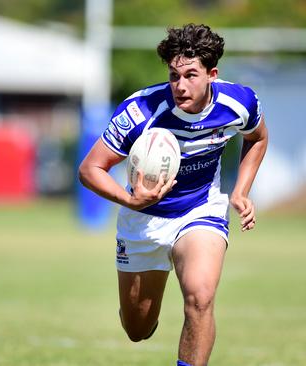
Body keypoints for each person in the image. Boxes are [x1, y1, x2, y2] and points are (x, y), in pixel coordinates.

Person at [78, 23, 268, 366]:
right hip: (144, 220)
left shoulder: (239, 102)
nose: (180, 85)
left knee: (200, 297)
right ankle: (139, 306)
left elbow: (257, 137)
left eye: (191, 75)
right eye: (173, 76)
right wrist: (129, 199)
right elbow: (90, 169)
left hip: (200, 210)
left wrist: (240, 191)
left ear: (212, 74)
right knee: (138, 328)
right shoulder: (140, 112)